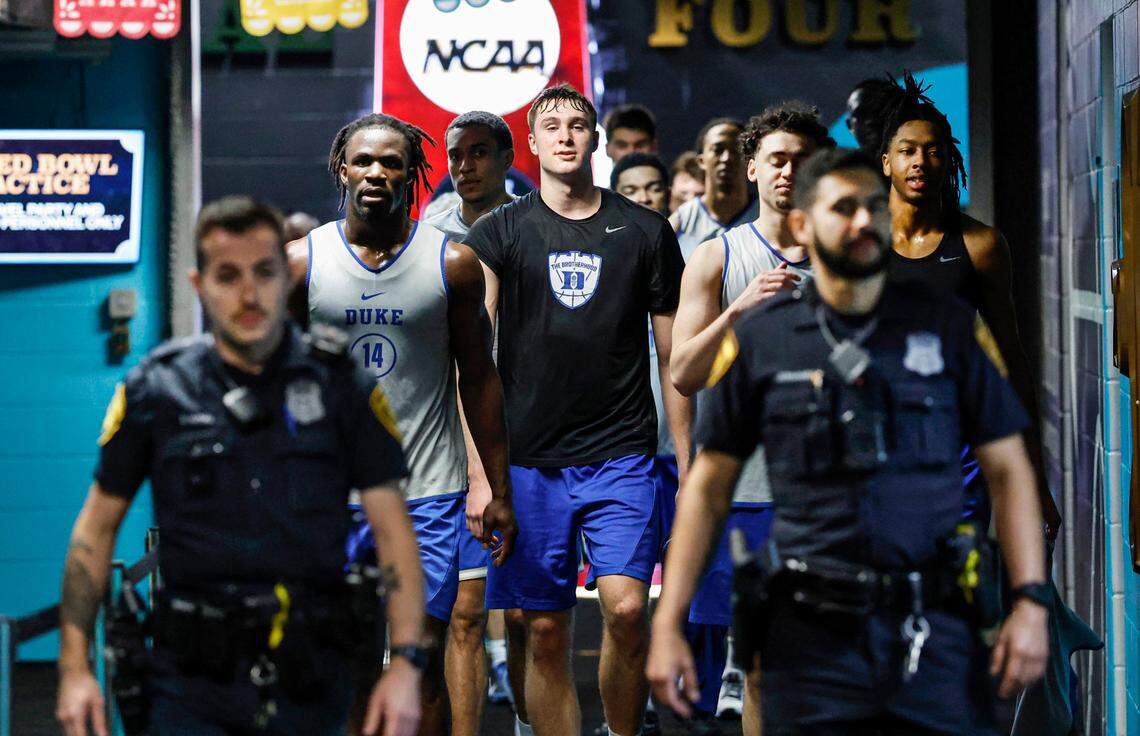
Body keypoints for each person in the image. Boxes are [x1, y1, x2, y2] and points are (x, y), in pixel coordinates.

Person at [648, 148, 1050, 734]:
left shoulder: (948, 326)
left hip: (933, 631)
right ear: (803, 225)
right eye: (843, 208)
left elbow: (1008, 469)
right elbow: (708, 489)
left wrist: (1030, 601)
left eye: (872, 207)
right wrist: (667, 625)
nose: (864, 221)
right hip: (809, 639)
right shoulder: (763, 340)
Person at [55, 196, 426, 736]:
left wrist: (407, 666)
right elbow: (95, 531)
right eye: (227, 276)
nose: (248, 294)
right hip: (190, 685)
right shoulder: (156, 390)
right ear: (198, 284)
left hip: (311, 679)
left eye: (264, 272)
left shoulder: (340, 384)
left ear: (289, 277)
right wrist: (72, 668)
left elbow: (393, 531)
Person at [463, 83, 689, 736]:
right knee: (543, 630)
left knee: (624, 611)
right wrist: (482, 475)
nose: (566, 134)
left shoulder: (645, 230)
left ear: (595, 141)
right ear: (530, 144)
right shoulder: (498, 231)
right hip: (529, 460)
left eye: (578, 124)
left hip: (621, 454)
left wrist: (689, 458)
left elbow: (675, 362)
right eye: (551, 125)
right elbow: (473, 360)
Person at [287, 113, 518, 735]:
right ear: (342, 169)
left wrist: (494, 487)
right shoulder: (300, 265)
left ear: (413, 175)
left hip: (429, 497)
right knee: (356, 662)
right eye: (363, 160)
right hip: (336, 500)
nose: (376, 172)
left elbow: (480, 378)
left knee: (417, 661)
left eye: (392, 162)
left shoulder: (453, 265)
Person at [669, 101, 833, 732]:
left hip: (829, 489)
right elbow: (683, 371)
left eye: (802, 161)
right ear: (754, 170)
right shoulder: (717, 257)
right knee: (761, 662)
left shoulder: (847, 257)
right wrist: (738, 311)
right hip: (748, 491)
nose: (789, 171)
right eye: (777, 160)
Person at [879, 74, 1062, 536]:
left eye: (934, 149)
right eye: (907, 150)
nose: (921, 161)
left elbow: (1011, 361)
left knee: (960, 592)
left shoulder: (980, 244)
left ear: (948, 159)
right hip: (879, 445)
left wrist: (1035, 480)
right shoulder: (857, 244)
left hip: (958, 445)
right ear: (886, 162)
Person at [424, 110, 520, 733]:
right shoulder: (429, 233)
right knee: (463, 611)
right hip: (455, 436)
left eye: (480, 153)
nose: (466, 165)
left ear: (508, 158)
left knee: (528, 614)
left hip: (533, 432)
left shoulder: (535, 223)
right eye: (457, 154)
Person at [670, 118, 757, 259]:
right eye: (718, 149)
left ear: (748, 158)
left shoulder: (766, 214)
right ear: (701, 161)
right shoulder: (681, 222)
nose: (726, 158)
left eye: (736, 149)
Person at [845, 78, 897, 162]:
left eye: (879, 111)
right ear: (850, 125)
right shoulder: (841, 170)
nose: (871, 121)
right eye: (862, 114)